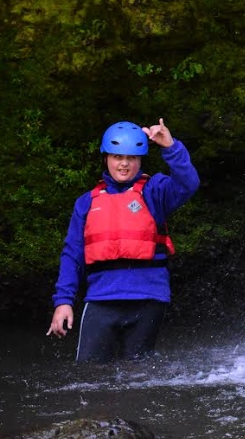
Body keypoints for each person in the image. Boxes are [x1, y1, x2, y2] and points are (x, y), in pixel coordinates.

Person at [47, 119, 200, 362]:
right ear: (106, 158)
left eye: (132, 157)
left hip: (148, 298)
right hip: (101, 298)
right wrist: (63, 301)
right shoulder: (86, 202)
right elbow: (72, 254)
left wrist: (170, 147)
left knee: (137, 374)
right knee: (89, 372)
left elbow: (188, 183)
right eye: (117, 156)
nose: (124, 164)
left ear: (140, 160)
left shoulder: (155, 191)